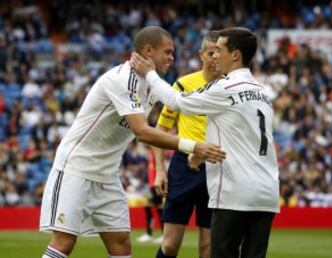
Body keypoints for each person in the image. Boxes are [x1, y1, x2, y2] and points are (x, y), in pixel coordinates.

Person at [39, 26, 226, 258]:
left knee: (121, 245)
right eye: (167, 52)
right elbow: (142, 132)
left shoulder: (151, 82)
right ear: (148, 51)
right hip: (76, 168)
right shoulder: (122, 80)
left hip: (106, 174)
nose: (172, 58)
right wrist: (193, 146)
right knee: (64, 242)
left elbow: (176, 101)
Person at [130, 27, 280, 258]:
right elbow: (242, 136)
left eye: (219, 50)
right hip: (266, 192)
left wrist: (150, 73)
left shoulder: (224, 88)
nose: (214, 55)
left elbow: (175, 100)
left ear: (235, 55)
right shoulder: (262, 93)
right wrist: (198, 152)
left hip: (235, 192)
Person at [152, 31, 221, 258]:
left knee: (208, 248)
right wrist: (160, 171)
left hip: (216, 167)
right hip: (184, 166)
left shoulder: (230, 88)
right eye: (211, 52)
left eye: (219, 52)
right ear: (201, 54)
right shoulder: (183, 86)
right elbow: (160, 132)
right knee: (170, 245)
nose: (215, 57)